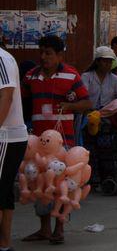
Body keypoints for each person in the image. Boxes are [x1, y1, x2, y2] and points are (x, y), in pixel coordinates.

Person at [21, 36, 91, 244]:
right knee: (39, 182)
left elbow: (87, 102)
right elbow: (21, 99)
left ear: (60, 55)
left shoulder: (71, 75)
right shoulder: (31, 77)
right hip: (37, 143)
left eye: (48, 53)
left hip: (64, 142)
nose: (43, 57)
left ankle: (59, 228)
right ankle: (44, 229)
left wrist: (70, 107)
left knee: (63, 184)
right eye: (41, 52)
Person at [0, 46, 35, 251]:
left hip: (6, 137)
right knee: (3, 194)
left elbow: (6, 96)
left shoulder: (2, 59)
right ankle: (4, 244)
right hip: (7, 137)